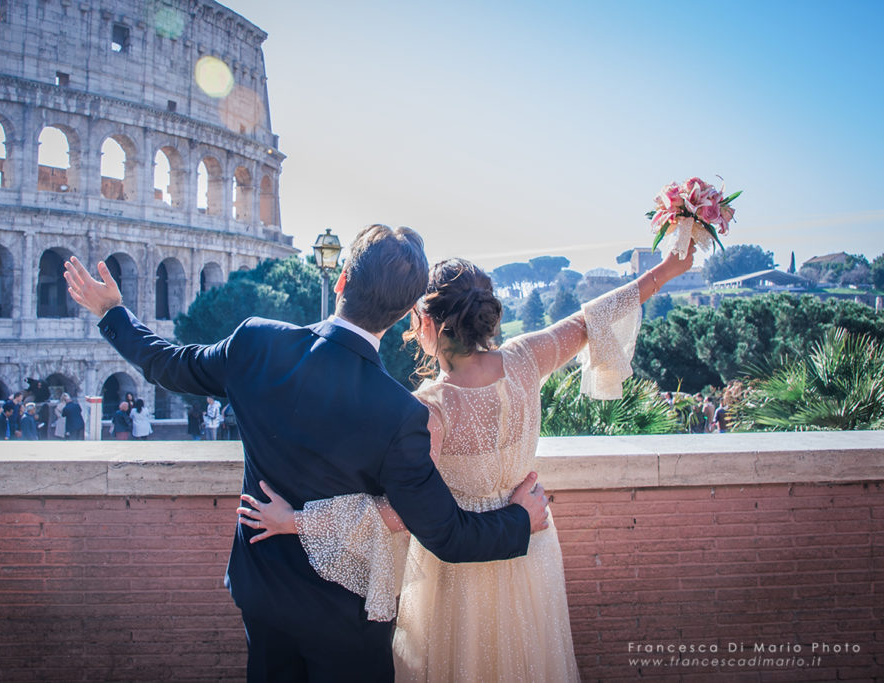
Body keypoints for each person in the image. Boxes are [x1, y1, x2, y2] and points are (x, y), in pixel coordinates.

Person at [63, 224, 551, 681]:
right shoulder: (401, 416)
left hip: (263, 593)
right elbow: (447, 534)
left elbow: (167, 364)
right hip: (346, 619)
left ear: (341, 281)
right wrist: (520, 520)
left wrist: (113, 313)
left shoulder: (256, 341)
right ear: (405, 313)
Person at [241, 247, 695, 682]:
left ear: (431, 323)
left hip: (458, 579)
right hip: (531, 548)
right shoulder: (525, 359)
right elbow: (589, 318)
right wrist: (666, 270)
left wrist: (296, 522)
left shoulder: (430, 409)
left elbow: (400, 513)